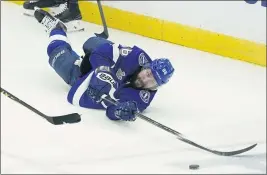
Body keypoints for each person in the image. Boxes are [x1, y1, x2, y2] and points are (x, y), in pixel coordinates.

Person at [33, 8, 175, 122]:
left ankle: (57, 28)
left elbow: (111, 112)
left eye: (153, 82)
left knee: (54, 51)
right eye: (148, 74)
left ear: (157, 86)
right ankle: (87, 56)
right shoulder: (136, 56)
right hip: (97, 59)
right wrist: (103, 72)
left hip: (82, 78)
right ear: (146, 66)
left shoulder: (143, 99)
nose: (146, 80)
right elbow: (100, 53)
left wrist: (119, 112)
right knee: (93, 43)